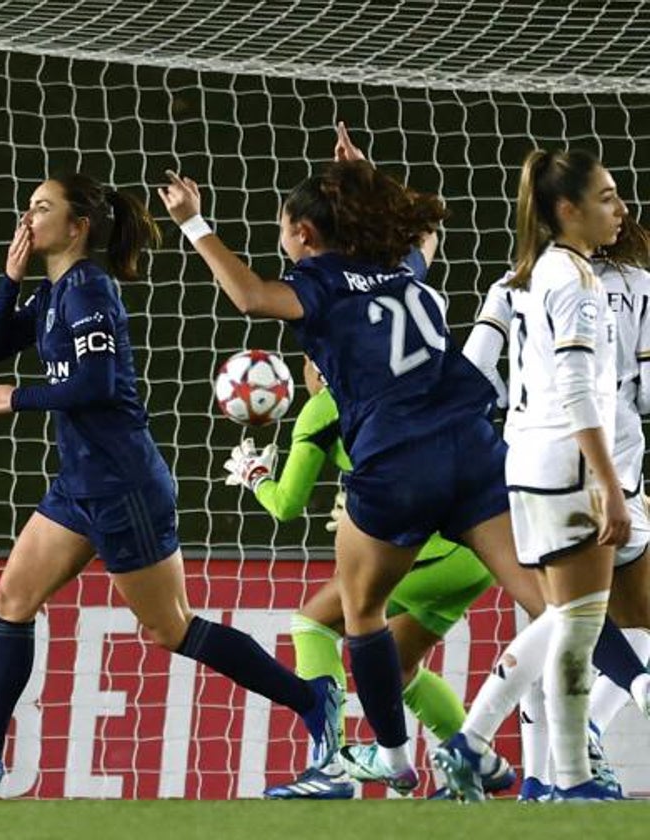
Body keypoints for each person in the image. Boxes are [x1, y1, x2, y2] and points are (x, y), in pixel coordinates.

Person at [0, 173, 341, 793]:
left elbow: (99, 383)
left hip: (123, 486)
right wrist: (10, 278)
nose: (29, 217)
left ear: (78, 227)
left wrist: (19, 398)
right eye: (28, 208)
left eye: (43, 208)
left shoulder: (88, 289)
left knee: (172, 629)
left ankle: (309, 700)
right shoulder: (54, 292)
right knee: (12, 600)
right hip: (79, 487)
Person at [159, 123, 525, 794]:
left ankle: (389, 757)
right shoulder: (400, 268)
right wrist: (367, 176)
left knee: (360, 615)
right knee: (553, 601)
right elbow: (426, 236)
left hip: (396, 465)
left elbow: (250, 296)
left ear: (302, 232)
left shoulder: (318, 284)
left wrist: (194, 223)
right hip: (471, 445)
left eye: (282, 228)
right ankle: (598, 719)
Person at [434, 149, 650, 802]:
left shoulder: (515, 281)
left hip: (526, 460)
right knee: (578, 621)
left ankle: (487, 747)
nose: (622, 207)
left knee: (574, 617)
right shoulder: (615, 283)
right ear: (569, 208)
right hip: (587, 467)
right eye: (608, 196)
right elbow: (618, 391)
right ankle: (563, 767)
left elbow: (473, 371)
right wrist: (611, 481)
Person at [223, 355, 516, 799]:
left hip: (422, 548)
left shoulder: (325, 406)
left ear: (320, 366)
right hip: (477, 548)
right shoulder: (414, 383)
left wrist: (256, 476)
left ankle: (329, 766)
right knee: (397, 668)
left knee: (313, 624)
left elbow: (285, 505)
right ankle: (475, 761)